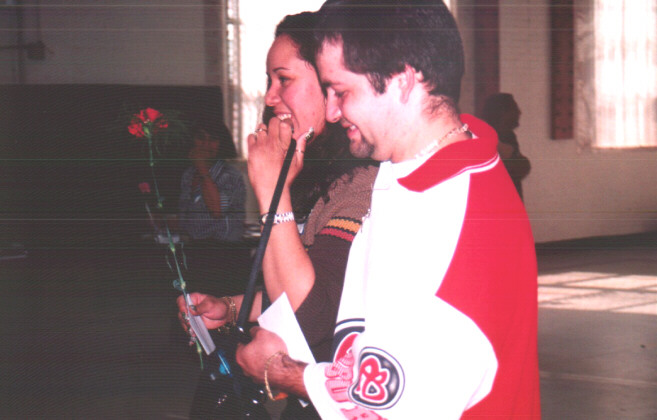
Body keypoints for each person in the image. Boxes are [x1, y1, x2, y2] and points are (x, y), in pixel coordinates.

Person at [233, 1, 541, 419]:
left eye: (341, 92)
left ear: (402, 80)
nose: (333, 111)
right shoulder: (409, 172)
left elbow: (391, 406)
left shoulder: (456, 219)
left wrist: (281, 371)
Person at [177, 11, 378, 419]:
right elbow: (295, 285)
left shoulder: (362, 182)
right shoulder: (315, 176)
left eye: (283, 80)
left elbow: (310, 316)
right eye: (269, 81)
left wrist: (272, 191)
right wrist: (230, 307)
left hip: (343, 400)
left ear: (330, 86)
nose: (270, 97)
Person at [178, 121, 246, 242]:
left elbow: (217, 210)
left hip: (225, 247)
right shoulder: (189, 174)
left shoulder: (230, 175)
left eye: (213, 139)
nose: (206, 144)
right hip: (194, 245)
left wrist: (202, 168)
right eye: (201, 138)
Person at [481, 93, 531, 200]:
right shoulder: (490, 137)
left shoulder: (507, 135)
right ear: (503, 113)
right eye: (514, 109)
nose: (519, 113)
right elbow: (515, 169)